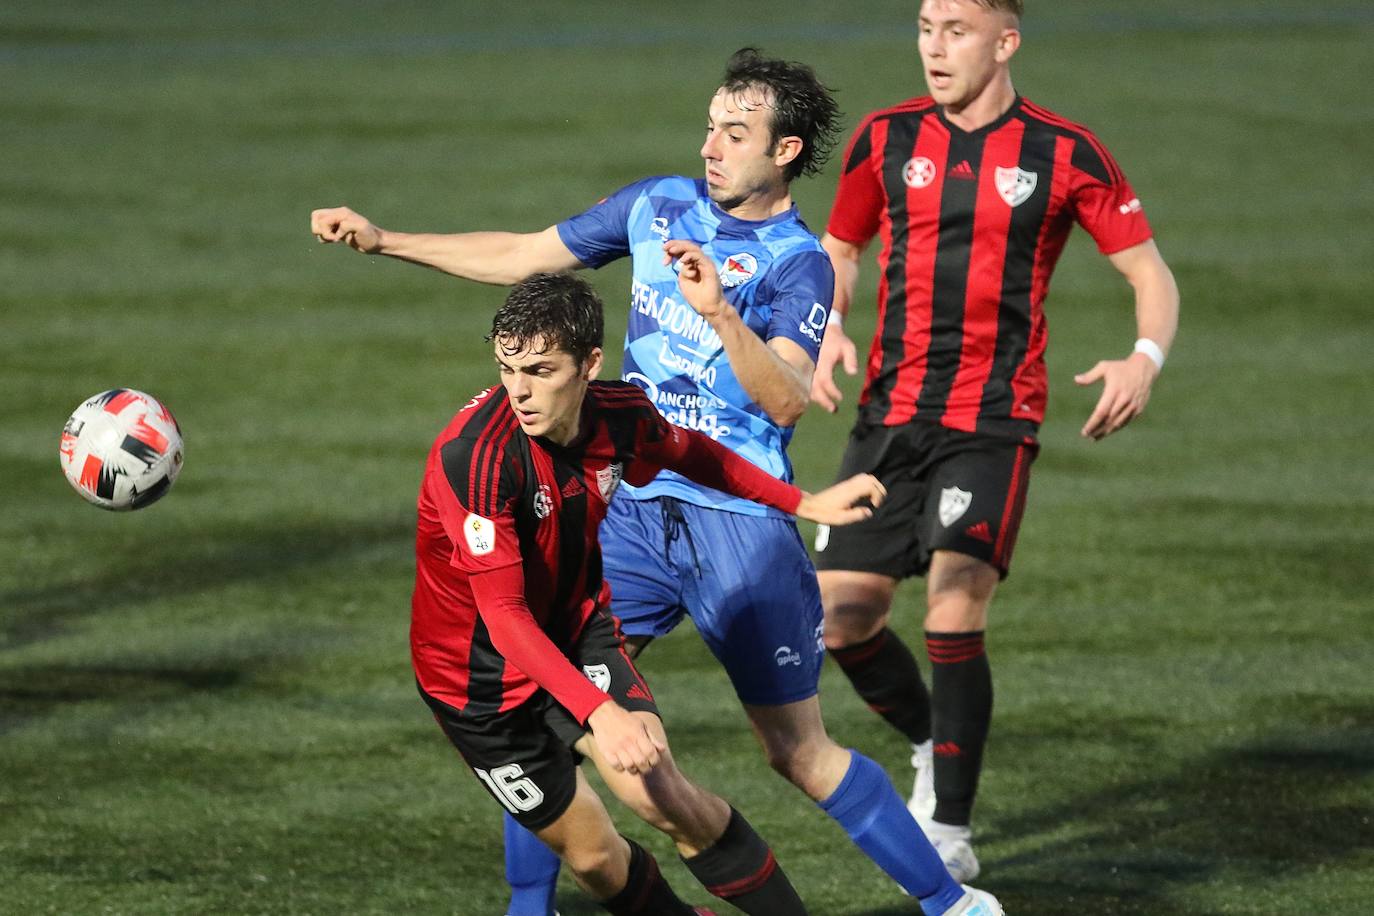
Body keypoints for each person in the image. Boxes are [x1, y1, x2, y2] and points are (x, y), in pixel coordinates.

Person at [314, 47, 1003, 916]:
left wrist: (719, 310)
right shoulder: (657, 203)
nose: (712, 146)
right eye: (710, 126)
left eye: (736, 133)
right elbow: (529, 252)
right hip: (627, 511)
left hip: (737, 528)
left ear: (784, 151)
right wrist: (387, 241)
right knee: (544, 704)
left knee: (797, 751)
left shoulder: (799, 263)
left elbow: (786, 400)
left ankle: (953, 905)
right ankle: (529, 910)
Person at [809, 0, 1181, 884]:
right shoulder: (885, 136)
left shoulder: (1065, 151)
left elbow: (1148, 272)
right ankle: (934, 747)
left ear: (1005, 41)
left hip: (994, 420)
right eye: (926, 26)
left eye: (957, 30)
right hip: (888, 416)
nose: (935, 47)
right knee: (838, 619)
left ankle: (950, 831)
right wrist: (824, 322)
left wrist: (1144, 359)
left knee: (953, 603)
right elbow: (842, 247)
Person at [412, 271, 892, 915]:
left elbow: (694, 454)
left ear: (589, 364)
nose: (519, 391)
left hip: (573, 631)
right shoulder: (477, 458)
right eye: (506, 368)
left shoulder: (619, 415)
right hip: (475, 682)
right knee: (592, 857)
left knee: (662, 793)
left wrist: (804, 501)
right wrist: (600, 713)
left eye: (540, 369)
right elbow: (503, 616)